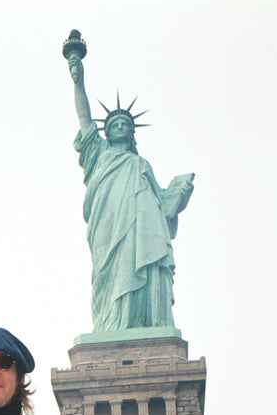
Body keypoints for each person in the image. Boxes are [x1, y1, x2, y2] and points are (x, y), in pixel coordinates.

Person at [68, 53, 194, 332]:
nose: (120, 127)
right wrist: (78, 79)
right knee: (108, 274)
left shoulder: (141, 164)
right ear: (108, 133)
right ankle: (111, 324)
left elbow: (161, 206)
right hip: (108, 224)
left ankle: (139, 319)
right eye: (114, 125)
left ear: (132, 133)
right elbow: (84, 117)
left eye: (125, 124)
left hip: (141, 229)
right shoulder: (99, 154)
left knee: (140, 262)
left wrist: (178, 196)